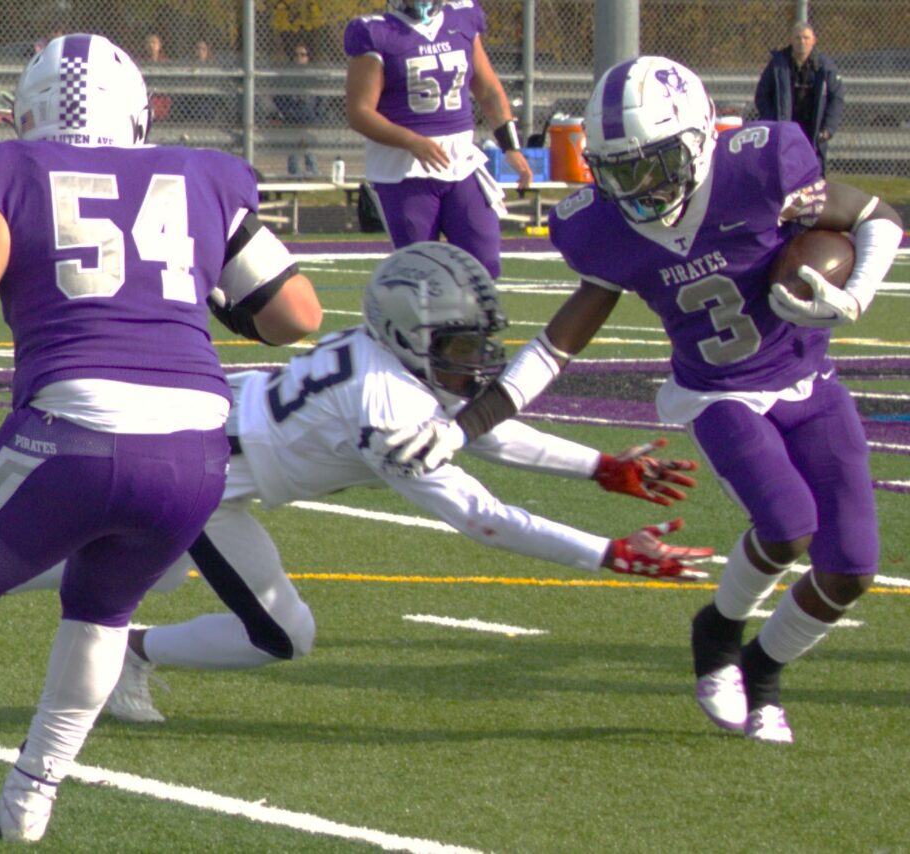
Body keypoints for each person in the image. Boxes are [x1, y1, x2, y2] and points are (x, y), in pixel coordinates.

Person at [382, 56, 903, 744]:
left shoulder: (759, 172)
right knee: (787, 523)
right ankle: (715, 634)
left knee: (851, 568)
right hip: (719, 394)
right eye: (619, 169)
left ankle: (763, 671)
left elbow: (877, 216)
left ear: (696, 140)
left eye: (651, 165)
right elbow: (556, 347)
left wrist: (856, 292)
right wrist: (469, 424)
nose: (637, 187)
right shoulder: (607, 229)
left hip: (811, 382)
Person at [0, 33, 321, 842]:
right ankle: (29, 799)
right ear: (139, 112)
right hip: (195, 444)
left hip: (75, 423)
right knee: (102, 613)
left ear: (27, 112)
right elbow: (296, 315)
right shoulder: (205, 175)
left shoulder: (0, 165)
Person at [77, 242, 711, 723]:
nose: (477, 362)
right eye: (461, 348)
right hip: (200, 475)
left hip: (207, 443)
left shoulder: (387, 358)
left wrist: (599, 467)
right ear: (409, 334)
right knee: (279, 635)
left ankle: (125, 644)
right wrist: (608, 552)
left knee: (150, 568)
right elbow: (482, 518)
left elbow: (476, 430)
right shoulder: (385, 408)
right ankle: (124, 649)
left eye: (478, 345)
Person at [344, 0, 532, 279]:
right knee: (423, 274)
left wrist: (511, 147)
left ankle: (472, 322)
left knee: (484, 264)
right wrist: (411, 140)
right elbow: (359, 112)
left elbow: (488, 89)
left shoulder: (463, 18)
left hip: (461, 162)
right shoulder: (377, 32)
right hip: (403, 170)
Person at [754, 21, 844, 175]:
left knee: (813, 173)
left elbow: (836, 98)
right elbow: (762, 95)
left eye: (806, 38)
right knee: (783, 170)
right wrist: (772, 122)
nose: (802, 42)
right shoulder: (778, 64)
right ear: (791, 40)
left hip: (814, 129)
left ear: (813, 40)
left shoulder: (825, 67)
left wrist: (828, 128)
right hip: (785, 128)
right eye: (797, 38)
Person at [274, 44, 322, 178]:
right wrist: (286, 111)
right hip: (292, 117)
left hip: (308, 118)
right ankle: (293, 175)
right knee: (293, 151)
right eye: (296, 55)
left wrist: (317, 114)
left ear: (308, 58)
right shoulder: (287, 76)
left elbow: (321, 98)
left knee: (309, 149)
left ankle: (312, 175)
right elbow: (278, 97)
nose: (299, 58)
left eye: (303, 55)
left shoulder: (313, 77)